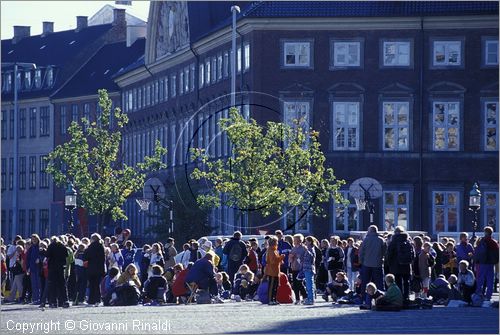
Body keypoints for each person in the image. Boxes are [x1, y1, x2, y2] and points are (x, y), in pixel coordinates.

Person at [386, 226, 414, 305]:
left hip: (396, 266)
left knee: (398, 282)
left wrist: (389, 264)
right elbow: (413, 255)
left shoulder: (393, 242)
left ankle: (400, 298)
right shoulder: (408, 241)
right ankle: (406, 298)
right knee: (406, 282)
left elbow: (389, 255)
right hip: (406, 266)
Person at [359, 225, 386, 295]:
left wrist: (361, 261)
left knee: (365, 282)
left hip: (366, 264)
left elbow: (361, 252)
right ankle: (380, 297)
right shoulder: (381, 240)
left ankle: (364, 297)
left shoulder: (365, 240)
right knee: (379, 282)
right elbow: (384, 252)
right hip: (377, 264)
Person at [474, 227, 499, 300]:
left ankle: (478, 294)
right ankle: (488, 296)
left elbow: (477, 252)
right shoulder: (494, 242)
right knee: (490, 280)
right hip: (491, 264)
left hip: (482, 263)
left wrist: (476, 261)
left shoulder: (481, 241)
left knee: (480, 279)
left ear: (485, 232)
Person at [46, 236, 69, 308]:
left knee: (53, 285)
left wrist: (43, 251)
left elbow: (48, 255)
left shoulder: (51, 246)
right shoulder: (63, 246)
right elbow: (66, 255)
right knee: (62, 285)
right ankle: (64, 301)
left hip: (53, 268)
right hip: (61, 267)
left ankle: (53, 302)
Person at [84, 233, 106, 306]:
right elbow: (103, 259)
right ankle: (98, 299)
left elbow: (85, 257)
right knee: (97, 285)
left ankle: (91, 300)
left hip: (91, 268)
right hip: (99, 268)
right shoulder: (101, 247)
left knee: (92, 285)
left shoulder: (90, 247)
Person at [265, 236, 284, 305]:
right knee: (272, 286)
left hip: (275, 270)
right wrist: (281, 258)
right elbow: (273, 261)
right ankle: (270, 300)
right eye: (276, 242)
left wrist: (280, 259)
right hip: (272, 271)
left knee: (275, 286)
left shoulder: (274, 250)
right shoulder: (271, 250)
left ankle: (274, 299)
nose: (277, 243)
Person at [288, 234, 307, 304]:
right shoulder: (293, 248)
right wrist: (291, 257)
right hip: (294, 267)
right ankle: (297, 299)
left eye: (296, 240)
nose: (295, 241)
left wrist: (299, 258)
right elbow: (290, 260)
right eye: (294, 240)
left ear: (300, 240)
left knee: (300, 283)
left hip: (300, 268)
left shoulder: (304, 248)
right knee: (295, 284)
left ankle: (305, 296)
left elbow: (306, 257)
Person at [302, 236, 316, 305]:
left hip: (309, 268)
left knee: (309, 285)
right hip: (305, 268)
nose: (305, 242)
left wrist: (306, 250)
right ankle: (309, 298)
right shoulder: (308, 248)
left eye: (306, 241)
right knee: (308, 284)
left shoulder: (311, 249)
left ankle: (311, 299)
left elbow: (311, 258)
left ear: (310, 242)